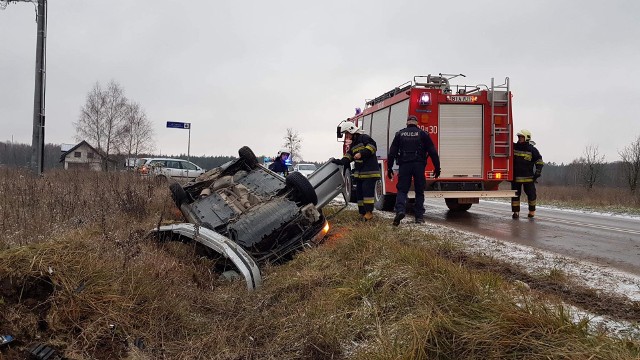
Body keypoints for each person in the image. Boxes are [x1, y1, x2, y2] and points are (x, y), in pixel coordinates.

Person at [387, 115, 440, 226]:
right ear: (416, 123)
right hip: (419, 166)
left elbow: (392, 153)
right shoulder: (423, 134)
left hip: (404, 165)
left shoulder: (399, 134)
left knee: (402, 190)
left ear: (407, 123)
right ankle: (419, 217)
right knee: (419, 191)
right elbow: (433, 152)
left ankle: (400, 211)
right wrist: (437, 168)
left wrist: (389, 168)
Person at [331, 121, 381, 221]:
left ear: (352, 131)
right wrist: (338, 162)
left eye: (347, 133)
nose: (347, 136)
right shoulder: (353, 145)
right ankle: (362, 213)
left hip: (369, 173)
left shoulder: (364, 138)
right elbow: (348, 157)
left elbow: (373, 146)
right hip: (360, 174)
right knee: (359, 194)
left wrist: (361, 154)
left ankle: (369, 213)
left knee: (367, 194)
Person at [511, 129, 544, 219]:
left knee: (531, 195)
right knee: (515, 195)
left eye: (521, 137)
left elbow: (539, 161)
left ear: (526, 138)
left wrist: (538, 172)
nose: (519, 138)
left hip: (528, 178)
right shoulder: (514, 147)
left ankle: (531, 212)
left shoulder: (532, 150)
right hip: (516, 177)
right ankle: (516, 212)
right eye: (519, 137)